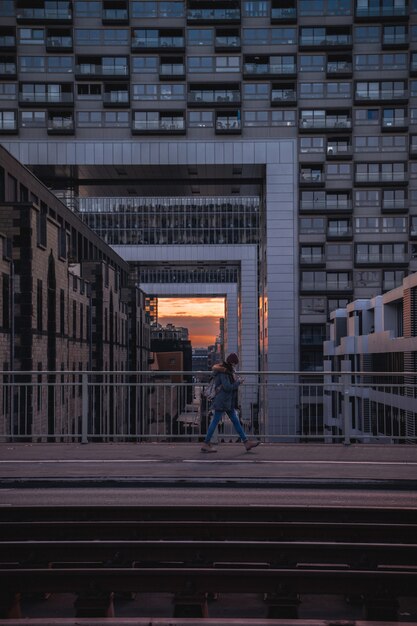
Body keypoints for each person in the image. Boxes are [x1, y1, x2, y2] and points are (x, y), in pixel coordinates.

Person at [201, 353, 260, 453]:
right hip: (223, 401)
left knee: (234, 421)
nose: (235, 366)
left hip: (226, 401)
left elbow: (227, 385)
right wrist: (238, 383)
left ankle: (246, 442)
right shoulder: (224, 372)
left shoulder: (225, 370)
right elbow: (227, 387)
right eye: (235, 364)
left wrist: (236, 381)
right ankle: (206, 443)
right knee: (216, 421)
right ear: (232, 362)